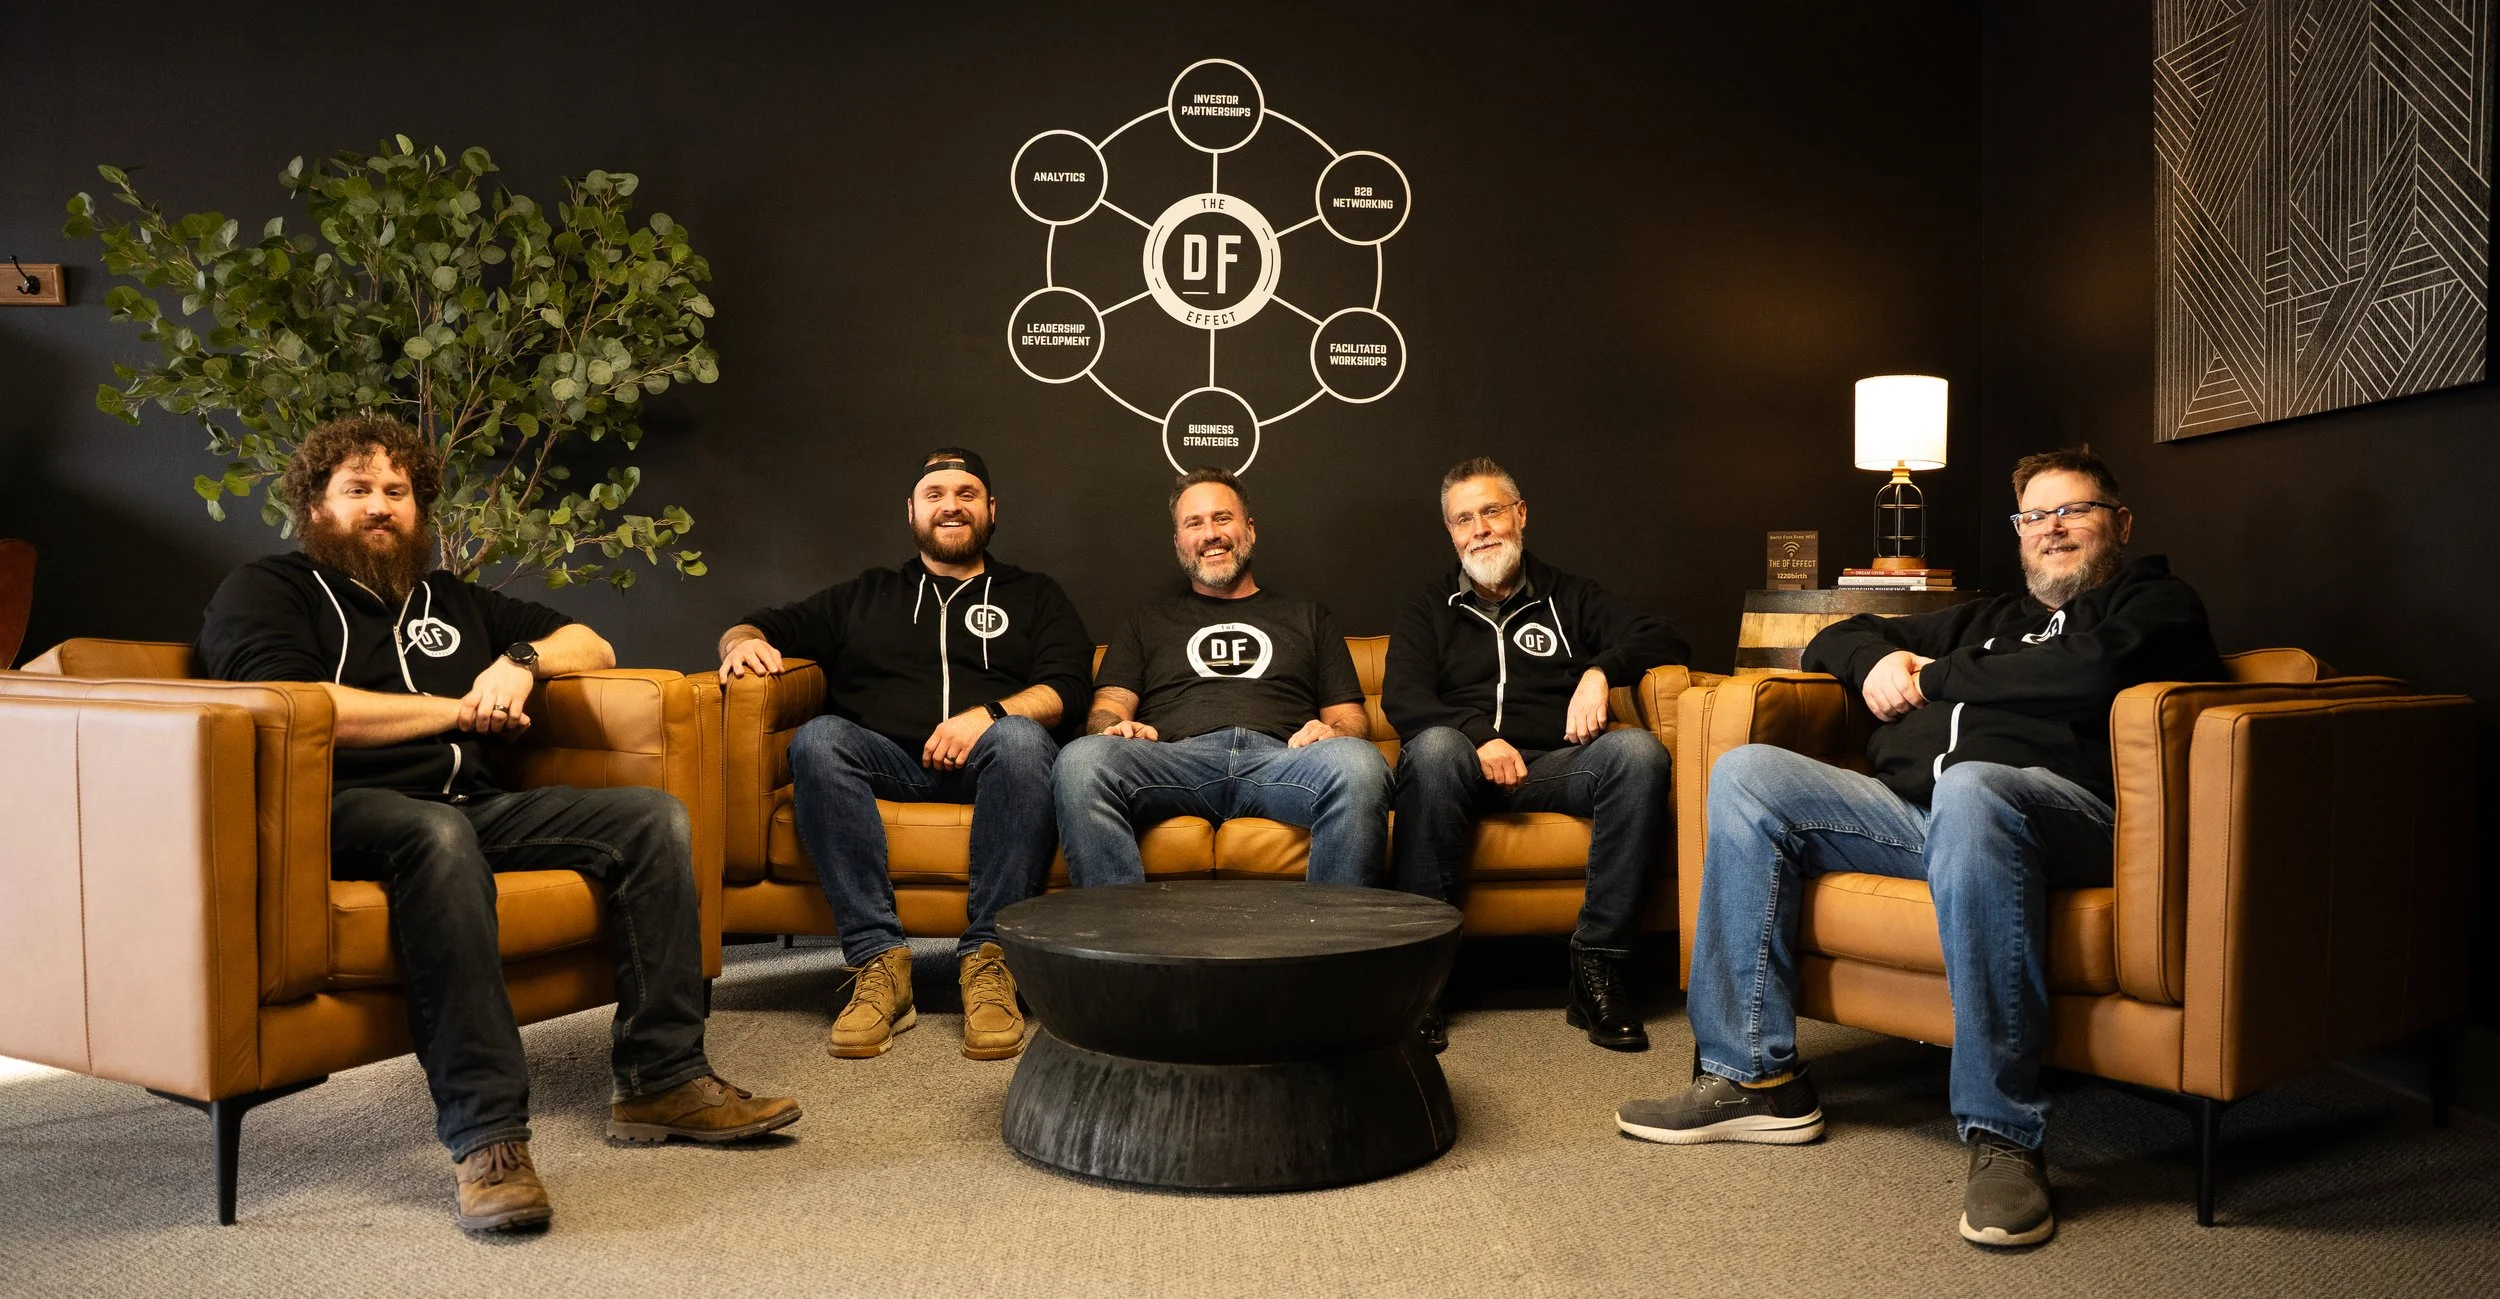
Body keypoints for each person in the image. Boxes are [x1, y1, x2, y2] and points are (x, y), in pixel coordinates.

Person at [197, 415, 799, 1236]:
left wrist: (518, 664)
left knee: (651, 818)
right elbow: (294, 708)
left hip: (472, 803)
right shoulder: (267, 589)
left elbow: (590, 641)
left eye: (397, 493)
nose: (381, 507)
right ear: (314, 505)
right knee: (435, 840)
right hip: (338, 810)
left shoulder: (453, 597)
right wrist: (456, 709)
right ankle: (488, 1139)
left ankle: (662, 1078)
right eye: (358, 490)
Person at [1616, 446, 2224, 1249]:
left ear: (2118, 521)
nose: (2053, 530)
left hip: (2073, 821)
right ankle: (1751, 1077)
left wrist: (1934, 676)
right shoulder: (1992, 618)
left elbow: (2089, 671)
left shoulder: (2154, 601)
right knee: (1748, 773)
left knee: (1977, 783)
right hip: (1931, 820)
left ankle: (2004, 1134)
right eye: (2034, 517)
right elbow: (1839, 636)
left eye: (2072, 510)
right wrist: (1877, 662)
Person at [719, 449, 1092, 1061]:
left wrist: (989, 716)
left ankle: (989, 958)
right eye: (936, 494)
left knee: (1024, 738)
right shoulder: (866, 595)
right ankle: (879, 963)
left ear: (991, 511)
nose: (952, 505)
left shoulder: (1034, 595)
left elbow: (1069, 685)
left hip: (997, 769)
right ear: (912, 512)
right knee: (819, 738)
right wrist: (742, 644)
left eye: (967, 494)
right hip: (890, 766)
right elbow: (760, 624)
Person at [1382, 458, 1687, 1053]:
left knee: (1638, 754)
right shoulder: (1428, 608)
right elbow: (1403, 699)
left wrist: (1601, 670)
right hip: (1459, 768)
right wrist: (1477, 735)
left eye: (1491, 511)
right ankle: (1421, 981)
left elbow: (1664, 634)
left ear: (1519, 515)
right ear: (1451, 532)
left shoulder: (1571, 596)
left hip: (1552, 764)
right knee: (1438, 747)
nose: (1480, 530)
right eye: (1463, 519)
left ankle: (1598, 971)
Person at [1056, 468, 1391, 887]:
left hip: (1282, 760)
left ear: (1249, 529)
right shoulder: (1146, 620)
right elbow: (1106, 709)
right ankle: (1121, 943)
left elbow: (1351, 720)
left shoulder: (1307, 617)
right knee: (1081, 759)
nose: (1210, 533)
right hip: (1175, 761)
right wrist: (1115, 727)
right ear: (1179, 541)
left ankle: (1333, 945)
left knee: (1359, 763)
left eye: (1222, 518)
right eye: (1194, 523)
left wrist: (1333, 732)